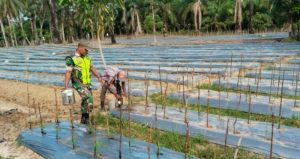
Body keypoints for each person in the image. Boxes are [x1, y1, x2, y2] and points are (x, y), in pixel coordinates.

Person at [64, 42, 103, 124]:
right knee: (89, 98)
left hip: (88, 84)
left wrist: (99, 77)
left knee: (86, 101)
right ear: (80, 48)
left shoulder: (87, 58)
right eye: (85, 49)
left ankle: (85, 119)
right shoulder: (72, 59)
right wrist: (66, 86)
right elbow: (68, 72)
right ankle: (86, 119)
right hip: (78, 83)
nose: (87, 51)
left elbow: (92, 68)